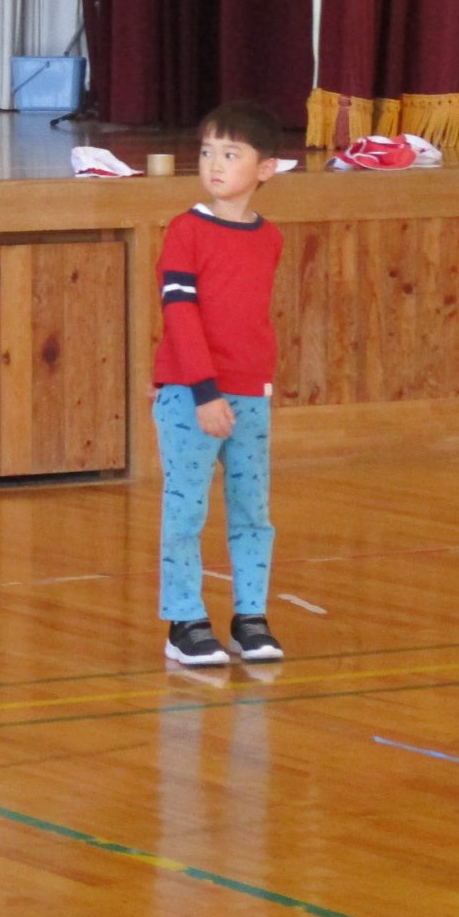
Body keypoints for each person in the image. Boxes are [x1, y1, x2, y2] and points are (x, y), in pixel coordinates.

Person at [154, 100, 288, 667]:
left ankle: (250, 616)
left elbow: (250, 316)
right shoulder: (185, 232)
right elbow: (180, 315)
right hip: (192, 394)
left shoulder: (269, 237)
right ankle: (185, 620)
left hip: (250, 394)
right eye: (208, 152)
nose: (215, 164)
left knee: (251, 509)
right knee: (186, 511)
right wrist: (204, 391)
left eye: (231, 154)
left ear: (265, 169)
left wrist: (254, 384)